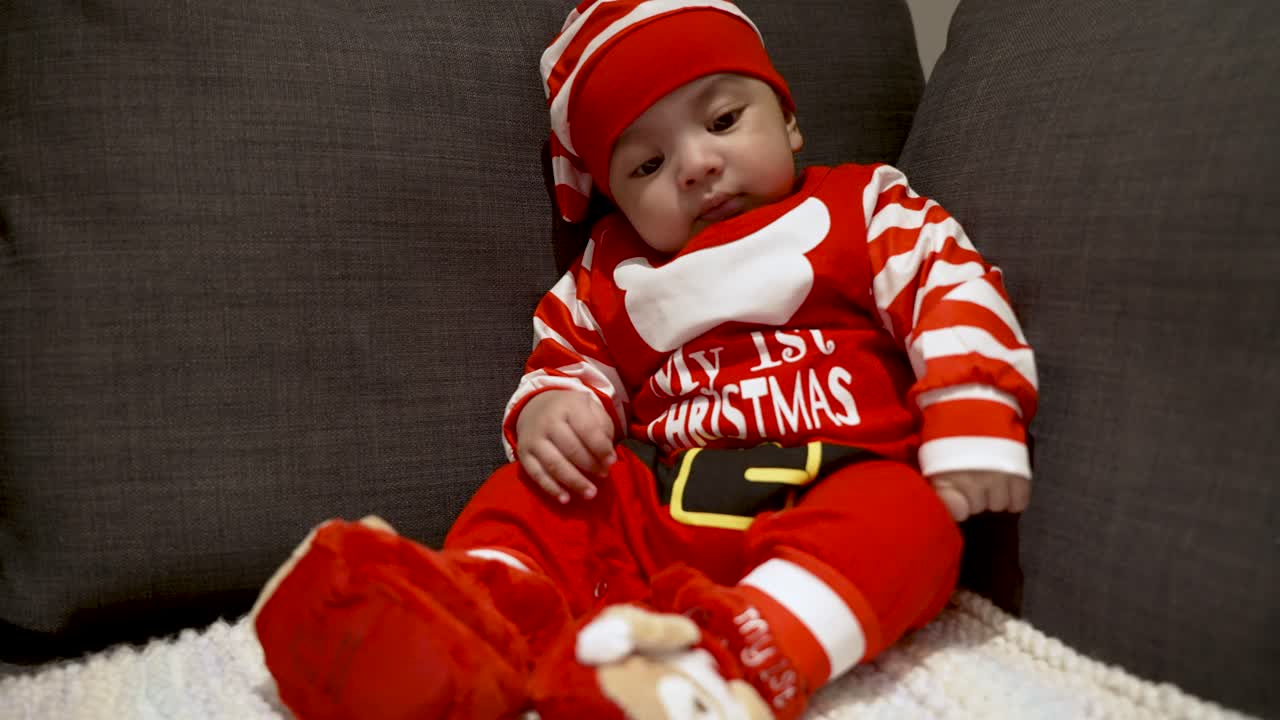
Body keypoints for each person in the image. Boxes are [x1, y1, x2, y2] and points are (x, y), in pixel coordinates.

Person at [252, 1, 1039, 718]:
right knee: (536, 493)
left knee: (915, 521)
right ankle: (466, 630)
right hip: (667, 505)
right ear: (615, 201)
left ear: (790, 120)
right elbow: (565, 354)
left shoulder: (864, 204)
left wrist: (972, 408)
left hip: (838, 483)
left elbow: (949, 286)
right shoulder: (610, 269)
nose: (694, 164)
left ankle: (723, 667)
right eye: (647, 166)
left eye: (724, 120)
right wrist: (555, 410)